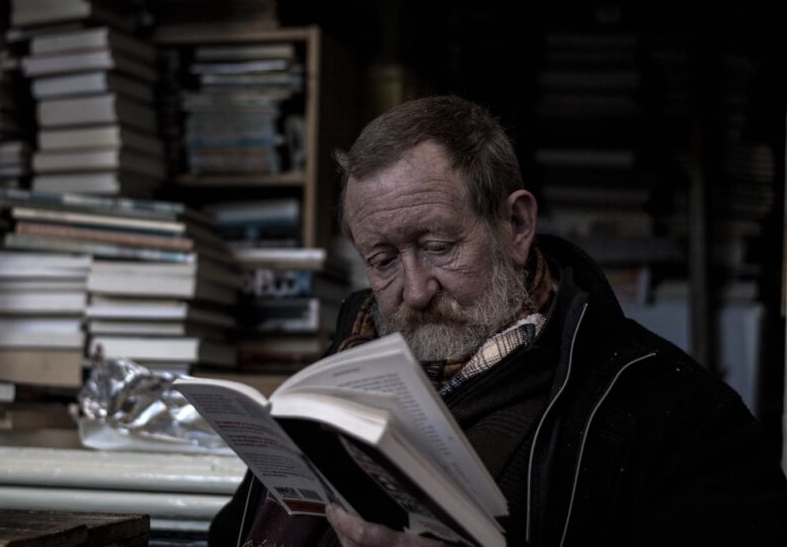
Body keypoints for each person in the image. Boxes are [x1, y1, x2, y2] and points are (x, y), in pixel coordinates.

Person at [209, 96, 787, 546]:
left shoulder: (673, 413)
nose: (416, 291)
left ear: (517, 226)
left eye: (438, 246)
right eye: (382, 260)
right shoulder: (334, 377)